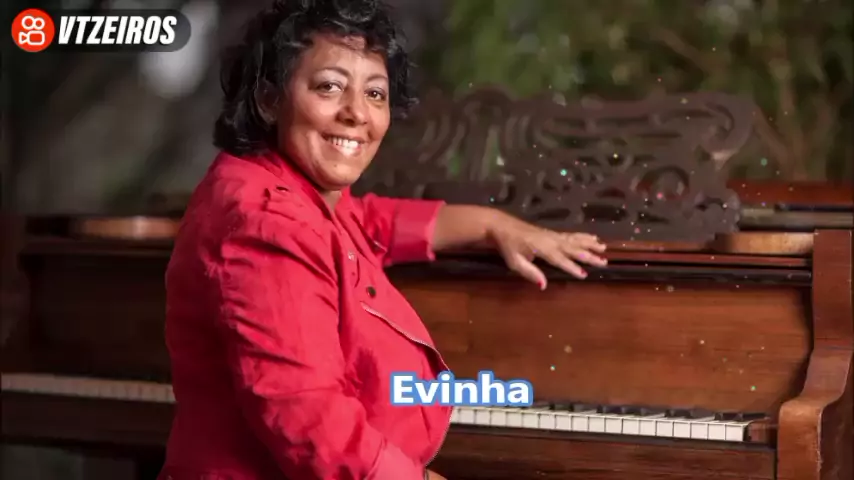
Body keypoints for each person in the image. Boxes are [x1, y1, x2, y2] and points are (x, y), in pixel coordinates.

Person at [158, 1, 607, 479]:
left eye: (375, 93)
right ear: (269, 99)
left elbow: (369, 221)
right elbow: (309, 420)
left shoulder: (293, 190)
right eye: (329, 87)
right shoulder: (266, 223)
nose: (357, 113)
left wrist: (492, 224)